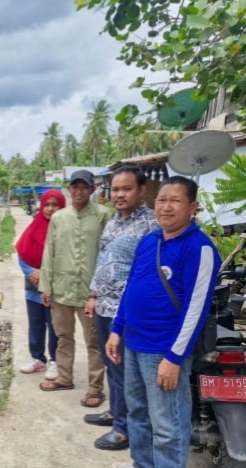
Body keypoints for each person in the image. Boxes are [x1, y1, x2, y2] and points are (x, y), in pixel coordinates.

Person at [105, 176, 220, 468]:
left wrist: (174, 357)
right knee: (137, 409)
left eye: (175, 201)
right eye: (161, 200)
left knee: (168, 423)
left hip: (164, 349)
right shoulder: (150, 240)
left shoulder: (199, 248)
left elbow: (196, 308)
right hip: (134, 341)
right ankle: (144, 464)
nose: (166, 207)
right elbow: (131, 287)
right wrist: (117, 330)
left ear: (193, 207)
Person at [83, 166, 159, 451]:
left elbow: (147, 273)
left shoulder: (150, 226)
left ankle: (125, 430)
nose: (119, 194)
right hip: (104, 305)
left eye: (127, 189)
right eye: (115, 189)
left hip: (126, 311)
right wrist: (93, 295)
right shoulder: (113, 221)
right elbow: (102, 258)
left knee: (127, 370)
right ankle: (116, 412)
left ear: (141, 190)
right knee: (111, 364)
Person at [38, 170, 111, 407]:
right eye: (75, 186)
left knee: (94, 341)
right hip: (62, 288)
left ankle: (95, 387)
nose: (79, 191)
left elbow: (108, 252)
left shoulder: (103, 215)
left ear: (92, 189)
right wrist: (46, 286)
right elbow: (49, 251)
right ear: (69, 189)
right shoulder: (59, 218)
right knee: (63, 336)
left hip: (91, 292)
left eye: (84, 187)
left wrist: (101, 289)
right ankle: (64, 377)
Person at [16, 189, 66, 380]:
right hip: (33, 287)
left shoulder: (65, 230)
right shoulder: (33, 227)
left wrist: (44, 274)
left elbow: (67, 258)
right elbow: (22, 252)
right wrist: (31, 272)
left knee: (55, 326)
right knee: (36, 324)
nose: (50, 209)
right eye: (47, 204)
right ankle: (38, 358)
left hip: (56, 288)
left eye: (55, 205)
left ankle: (55, 361)